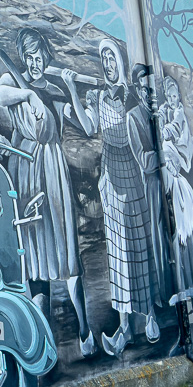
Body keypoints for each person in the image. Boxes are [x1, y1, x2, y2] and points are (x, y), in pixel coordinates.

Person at [0, 28, 96, 358]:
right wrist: (28, 95)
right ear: (23, 57)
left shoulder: (53, 89)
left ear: (46, 58)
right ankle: (45, 338)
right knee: (35, 250)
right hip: (24, 167)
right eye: (30, 57)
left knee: (64, 247)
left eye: (39, 57)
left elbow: (85, 125)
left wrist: (72, 90)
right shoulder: (13, 81)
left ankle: (84, 329)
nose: (35, 63)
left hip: (52, 170)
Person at [69, 38, 159, 356]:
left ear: (119, 62)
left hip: (131, 171)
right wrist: (72, 90)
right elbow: (88, 126)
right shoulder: (97, 96)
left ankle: (149, 316)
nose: (108, 65)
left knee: (138, 246)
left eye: (112, 59)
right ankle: (124, 328)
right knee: (118, 255)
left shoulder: (132, 95)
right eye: (104, 59)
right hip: (110, 174)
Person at [159, 75, 193, 350]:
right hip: (170, 204)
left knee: (190, 268)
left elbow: (179, 149)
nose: (172, 98)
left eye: (174, 93)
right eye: (168, 94)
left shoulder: (179, 118)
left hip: (183, 204)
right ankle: (184, 335)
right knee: (177, 273)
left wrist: (169, 148)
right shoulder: (165, 115)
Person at [127, 63, 173, 311]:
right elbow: (144, 161)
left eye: (153, 90)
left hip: (170, 182)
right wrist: (166, 154)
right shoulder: (133, 117)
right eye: (145, 90)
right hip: (150, 187)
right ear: (138, 90)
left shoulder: (162, 114)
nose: (150, 95)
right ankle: (164, 294)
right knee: (157, 238)